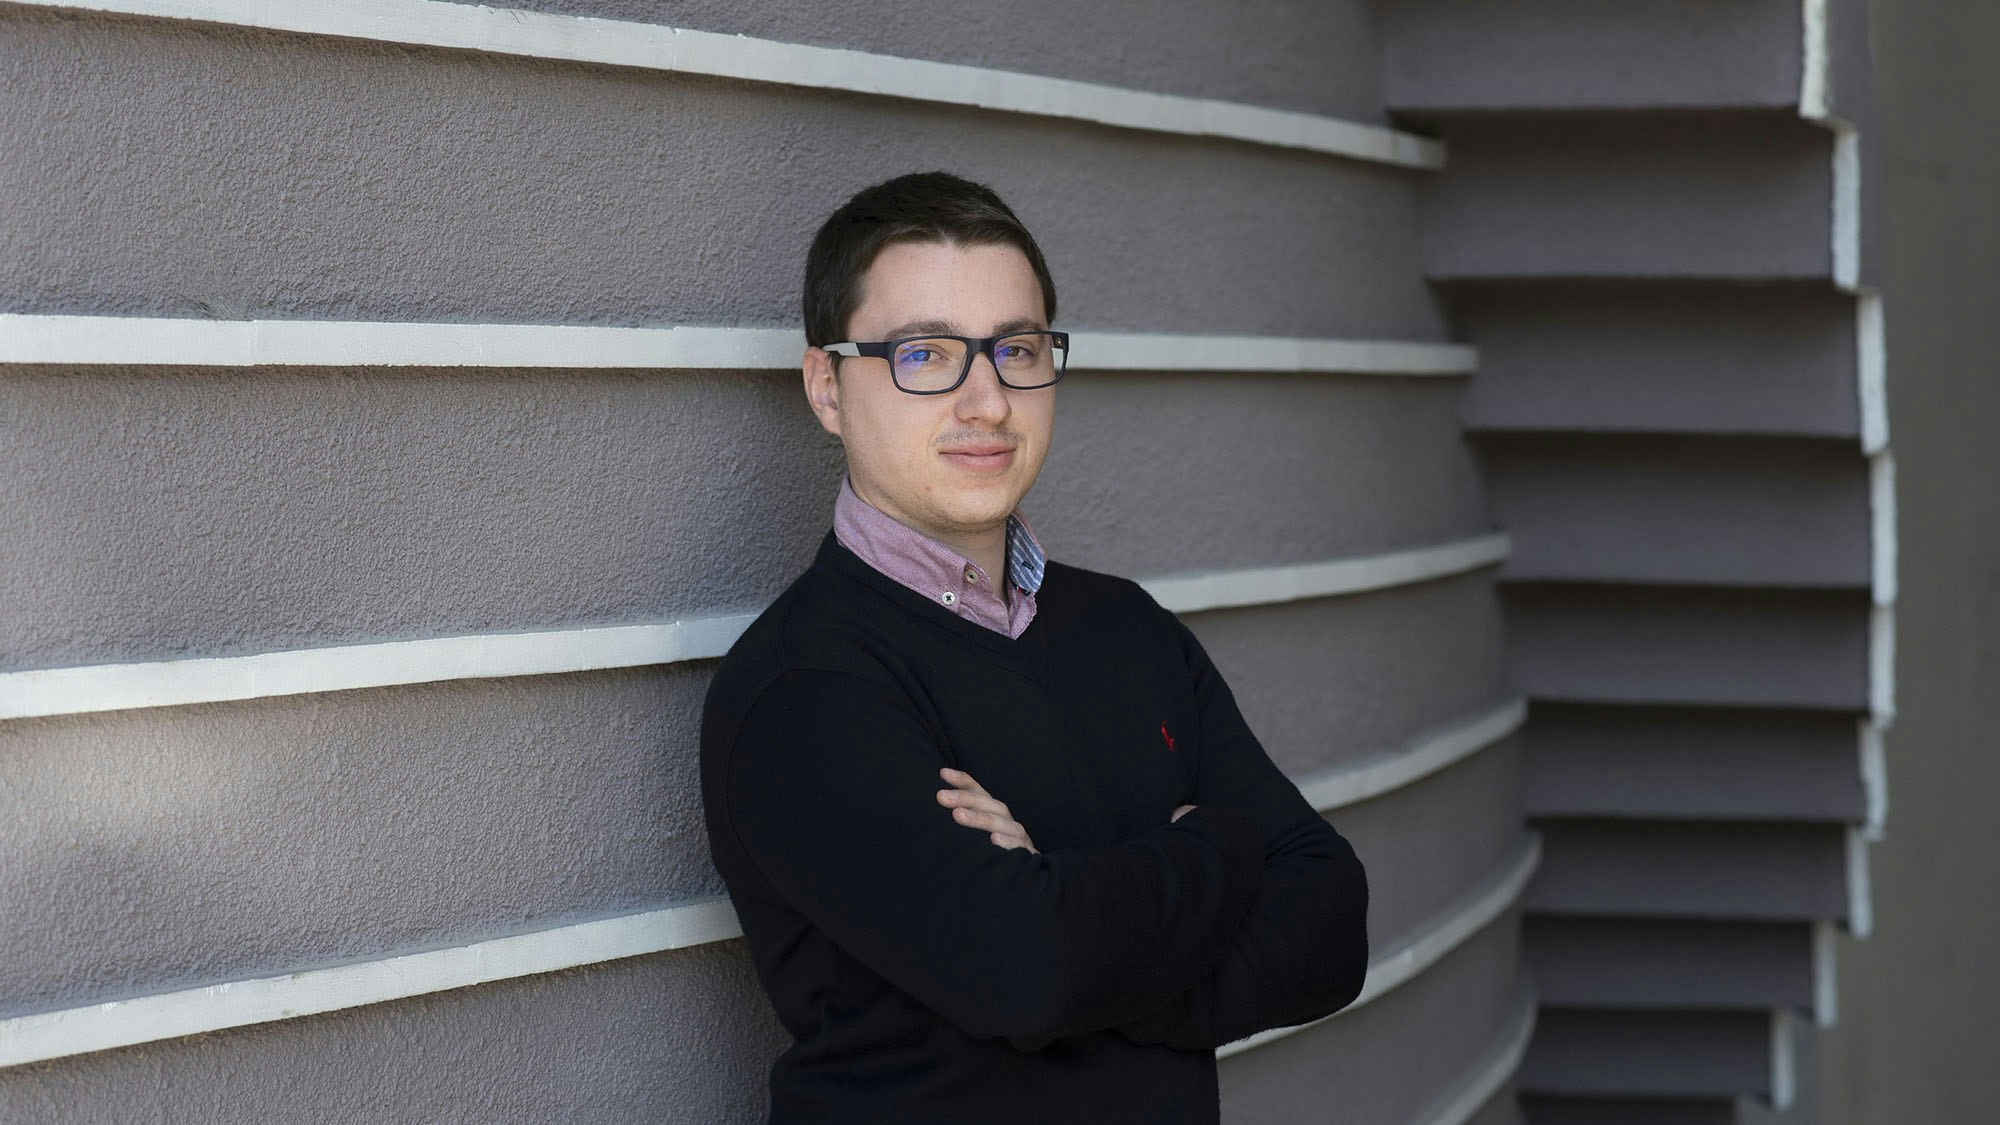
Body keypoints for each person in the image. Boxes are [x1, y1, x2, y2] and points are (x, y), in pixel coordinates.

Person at [699, 170, 1368, 1124]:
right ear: (827, 388)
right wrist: (1218, 845)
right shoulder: (804, 688)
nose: (987, 402)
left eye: (1015, 349)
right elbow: (1028, 972)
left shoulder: (1129, 631)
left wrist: (1070, 915)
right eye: (924, 354)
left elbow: (1332, 926)